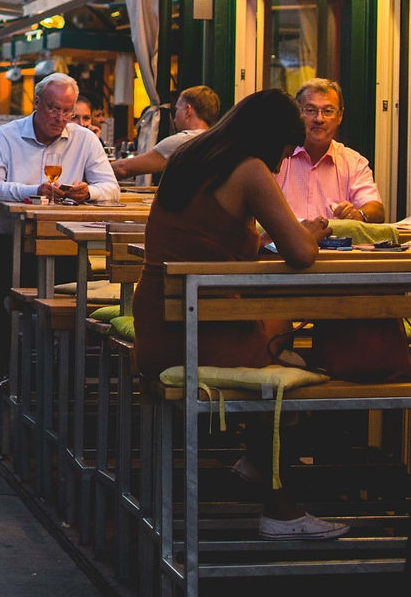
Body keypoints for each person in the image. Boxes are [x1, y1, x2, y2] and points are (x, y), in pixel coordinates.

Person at [132, 88, 347, 540]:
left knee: (274, 336)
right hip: (194, 334)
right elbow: (302, 255)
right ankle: (278, 503)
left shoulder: (192, 158)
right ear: (272, 140)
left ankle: (256, 461)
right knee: (284, 349)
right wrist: (307, 230)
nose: (282, 163)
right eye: (286, 152)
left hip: (159, 325)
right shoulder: (249, 169)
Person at [0, 73, 120, 372]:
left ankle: (65, 375)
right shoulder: (5, 136)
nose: (61, 117)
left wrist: (88, 192)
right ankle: (18, 363)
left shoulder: (85, 140)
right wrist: (32, 190)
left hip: (65, 245)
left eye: (67, 111)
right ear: (36, 103)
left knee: (84, 307)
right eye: (53, 108)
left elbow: (111, 189)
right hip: (7, 243)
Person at [275, 78, 384, 223]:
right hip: (282, 245)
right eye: (310, 110)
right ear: (297, 114)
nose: (319, 119)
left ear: (340, 116)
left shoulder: (354, 162)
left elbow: (376, 209)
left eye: (328, 111)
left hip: (335, 245)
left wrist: (359, 214)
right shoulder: (277, 157)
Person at [111, 85, 220, 180]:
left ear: (188, 110)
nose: (174, 118)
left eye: (176, 109)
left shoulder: (182, 141)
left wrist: (98, 171)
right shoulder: (217, 140)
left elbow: (123, 169)